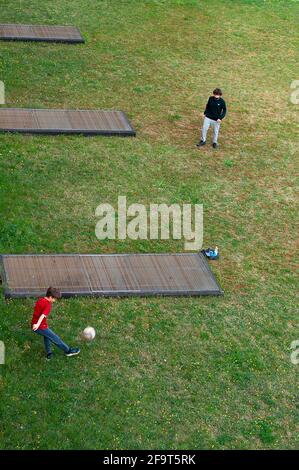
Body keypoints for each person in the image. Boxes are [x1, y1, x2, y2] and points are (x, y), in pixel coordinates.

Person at [31, 287, 80, 360]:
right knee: (55, 338)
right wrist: (38, 325)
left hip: (35, 323)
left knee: (47, 336)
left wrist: (36, 324)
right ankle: (68, 351)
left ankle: (49, 354)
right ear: (50, 297)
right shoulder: (48, 305)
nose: (55, 300)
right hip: (39, 326)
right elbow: (42, 316)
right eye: (54, 299)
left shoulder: (40, 300)